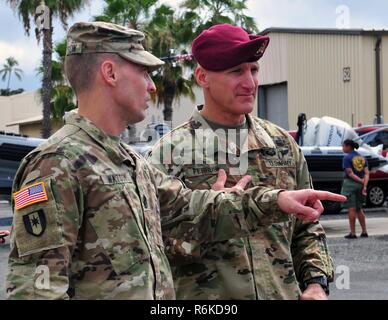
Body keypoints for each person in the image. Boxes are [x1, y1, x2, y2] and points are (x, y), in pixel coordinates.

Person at [6, 21, 345, 300]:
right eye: (143, 72)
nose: (152, 87)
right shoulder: (55, 163)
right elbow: (36, 291)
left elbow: (192, 206)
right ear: (109, 73)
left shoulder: (128, 163)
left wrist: (278, 200)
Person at [149, 23, 341, 300]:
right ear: (203, 77)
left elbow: (307, 226)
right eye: (236, 71)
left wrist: (315, 283)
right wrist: (210, 212)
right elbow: (154, 247)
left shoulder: (281, 146)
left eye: (254, 70)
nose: (250, 83)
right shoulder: (168, 155)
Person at [341, 139, 369, 239]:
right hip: (360, 186)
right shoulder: (362, 157)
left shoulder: (347, 158)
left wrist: (360, 181)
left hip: (350, 185)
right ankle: (364, 231)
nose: (342, 148)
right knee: (359, 208)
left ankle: (353, 233)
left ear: (348, 146)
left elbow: (350, 173)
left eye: (343, 146)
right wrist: (364, 184)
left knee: (351, 208)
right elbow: (366, 173)